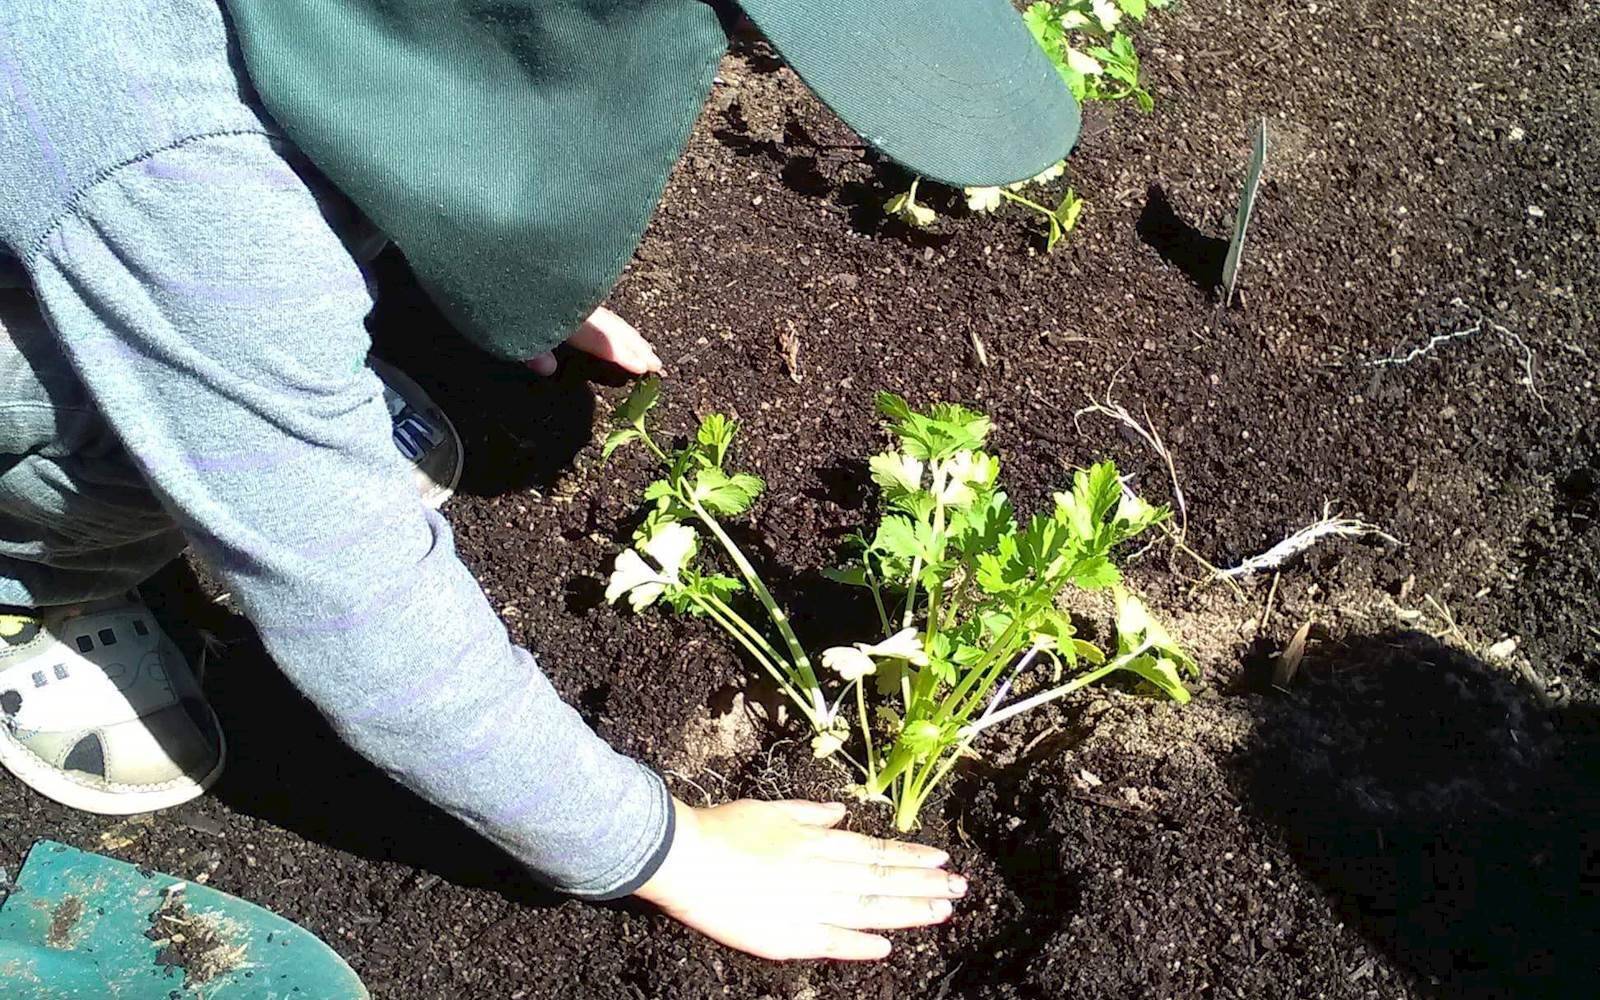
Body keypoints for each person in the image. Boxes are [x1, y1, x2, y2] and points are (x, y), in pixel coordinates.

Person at [0, 0, 1078, 962]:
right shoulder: (163, 157)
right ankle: (39, 589)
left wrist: (468, 255)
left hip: (131, 188)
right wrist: (669, 851)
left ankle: (249, 366)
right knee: (151, 420)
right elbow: (351, 591)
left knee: (226, 310)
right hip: (109, 184)